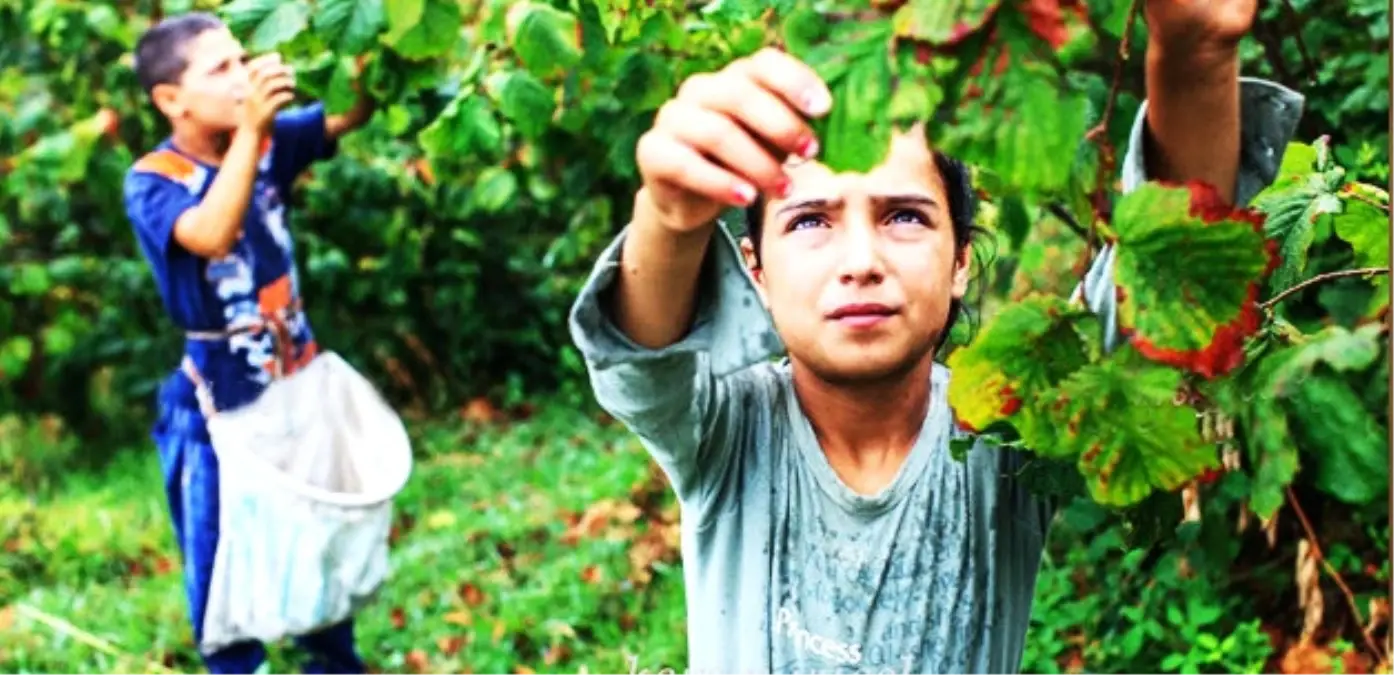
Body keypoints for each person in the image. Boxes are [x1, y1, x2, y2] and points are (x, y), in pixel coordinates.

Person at [569, 1, 1304, 672]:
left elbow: (1161, 283)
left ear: (960, 262)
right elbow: (643, 357)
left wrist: (1196, 53)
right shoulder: (725, 435)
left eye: (905, 216)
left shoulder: (1007, 427)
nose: (862, 262)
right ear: (753, 271)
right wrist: (669, 216)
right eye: (811, 219)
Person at [122, 12, 375, 675]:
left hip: (297, 381)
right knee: (223, 559)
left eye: (244, 59)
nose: (242, 78)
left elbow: (349, 112)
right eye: (221, 69)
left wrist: (360, 36)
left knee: (316, 536)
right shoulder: (155, 178)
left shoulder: (265, 141)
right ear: (170, 100)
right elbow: (208, 233)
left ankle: (332, 660)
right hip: (215, 402)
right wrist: (256, 128)